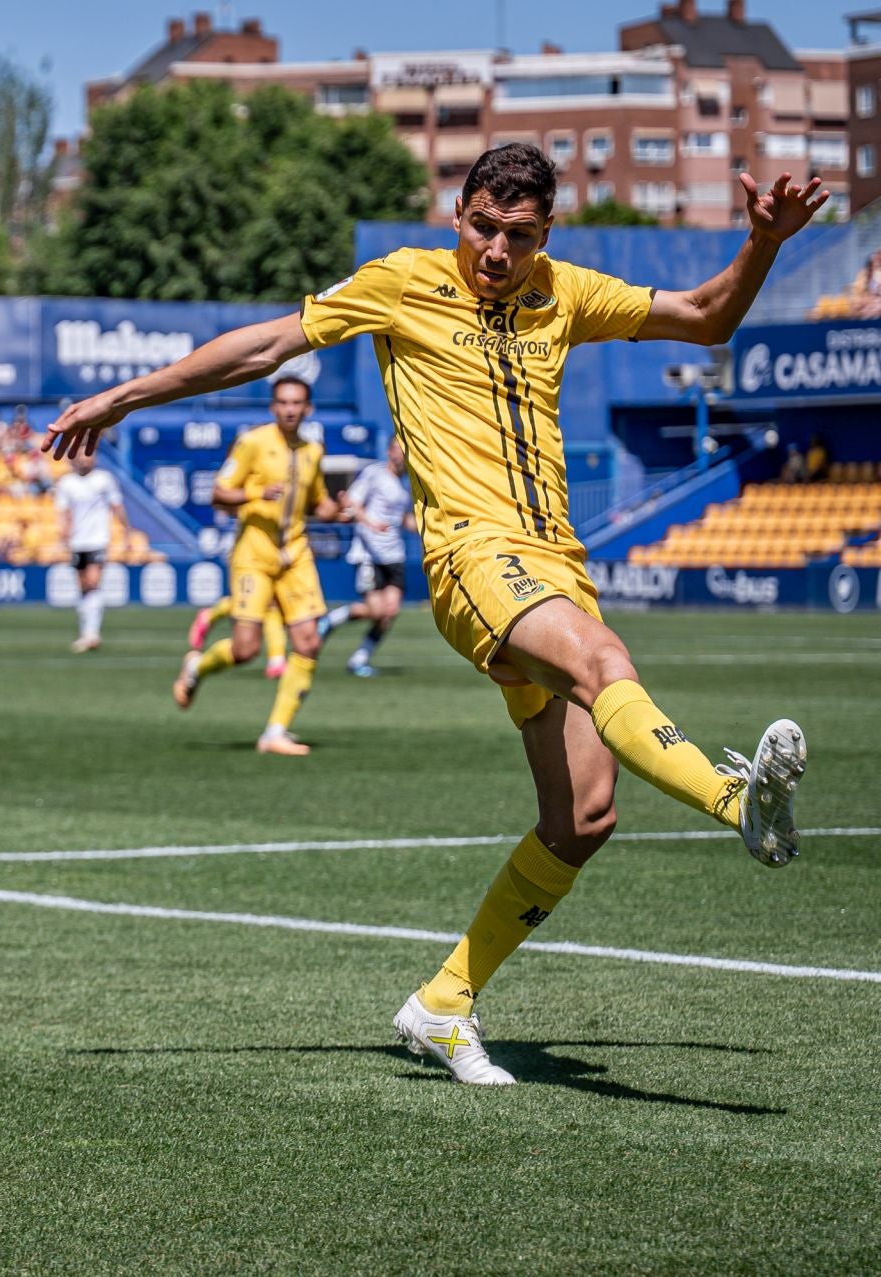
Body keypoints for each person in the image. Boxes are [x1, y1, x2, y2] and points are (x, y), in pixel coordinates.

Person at [44, 147, 823, 1084]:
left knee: (582, 816)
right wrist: (123, 396)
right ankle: (740, 800)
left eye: (520, 235)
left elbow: (704, 317)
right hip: (471, 559)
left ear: (545, 237)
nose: (497, 251)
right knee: (604, 660)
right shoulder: (401, 283)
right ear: (458, 213)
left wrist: (761, 245)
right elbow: (266, 345)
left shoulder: (563, 292)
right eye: (483, 227)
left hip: (555, 564)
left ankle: (444, 1002)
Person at [171, 376, 346, 756]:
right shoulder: (253, 442)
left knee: (309, 641)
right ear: (273, 407)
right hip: (253, 555)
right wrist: (255, 493)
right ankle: (197, 667)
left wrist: (338, 510)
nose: (289, 409)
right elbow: (218, 493)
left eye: (297, 403)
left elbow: (317, 504)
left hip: (295, 555)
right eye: (283, 402)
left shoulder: (313, 451)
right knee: (246, 649)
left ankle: (275, 732)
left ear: (307, 409)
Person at [316, 434, 414, 677]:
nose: (402, 455)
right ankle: (332, 619)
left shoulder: (404, 484)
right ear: (389, 451)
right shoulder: (374, 474)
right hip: (369, 553)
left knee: (390, 612)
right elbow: (351, 503)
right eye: (398, 449)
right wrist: (369, 524)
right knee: (377, 610)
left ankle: (359, 660)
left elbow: (401, 519)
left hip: (394, 555)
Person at [53, 450, 127, 653]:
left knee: (93, 582)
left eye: (90, 455)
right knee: (83, 586)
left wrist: (126, 529)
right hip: (78, 541)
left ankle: (92, 634)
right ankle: (85, 632)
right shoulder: (66, 482)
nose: (87, 459)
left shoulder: (104, 479)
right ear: (75, 458)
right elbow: (64, 512)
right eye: (83, 455)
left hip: (98, 539)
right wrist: (63, 535)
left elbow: (116, 505)